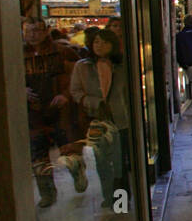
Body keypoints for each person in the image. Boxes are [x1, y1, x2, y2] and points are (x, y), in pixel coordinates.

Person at [23, 16, 87, 207]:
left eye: (37, 31)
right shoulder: (16, 55)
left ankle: (77, 171)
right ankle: (47, 193)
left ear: (45, 32)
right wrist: (21, 89)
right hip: (34, 112)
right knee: (38, 152)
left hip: (61, 110)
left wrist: (66, 94)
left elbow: (78, 77)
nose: (33, 35)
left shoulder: (62, 52)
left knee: (68, 148)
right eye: (29, 31)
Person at [69, 28, 129, 207]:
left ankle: (122, 201)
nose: (100, 46)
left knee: (120, 163)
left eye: (105, 42)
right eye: (96, 42)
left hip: (121, 119)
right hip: (97, 120)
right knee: (102, 163)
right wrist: (95, 103)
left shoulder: (122, 65)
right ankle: (109, 197)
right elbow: (75, 92)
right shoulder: (83, 66)